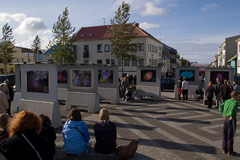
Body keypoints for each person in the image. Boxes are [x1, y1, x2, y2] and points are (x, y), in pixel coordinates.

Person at [219, 91, 238, 156]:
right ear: (235, 96)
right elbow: (233, 109)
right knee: (230, 135)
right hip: (231, 120)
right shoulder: (235, 102)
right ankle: (230, 150)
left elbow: (220, 106)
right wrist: (232, 116)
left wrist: (223, 113)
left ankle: (224, 149)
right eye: (237, 95)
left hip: (226, 119)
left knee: (225, 134)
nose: (238, 97)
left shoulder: (227, 101)